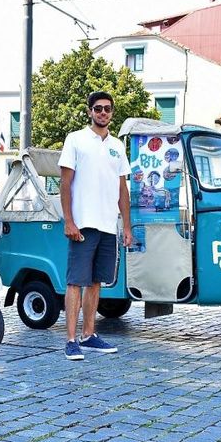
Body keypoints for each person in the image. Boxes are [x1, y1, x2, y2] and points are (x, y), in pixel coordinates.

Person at [59, 91, 133, 361]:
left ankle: (88, 336)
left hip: (107, 225)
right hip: (83, 223)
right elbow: (65, 183)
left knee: (95, 281)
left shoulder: (117, 146)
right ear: (90, 111)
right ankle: (70, 340)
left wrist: (126, 226)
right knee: (75, 281)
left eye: (108, 109)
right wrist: (69, 220)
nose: (103, 113)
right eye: (98, 108)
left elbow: (122, 189)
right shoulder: (75, 140)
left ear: (112, 113)